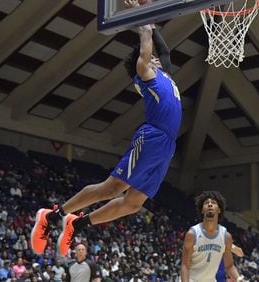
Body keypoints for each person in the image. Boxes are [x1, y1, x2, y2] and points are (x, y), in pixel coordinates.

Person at [30, 0, 182, 257]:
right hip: (153, 135)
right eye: (151, 54)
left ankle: (75, 224)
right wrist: (143, 20)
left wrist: (153, 22)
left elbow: (164, 52)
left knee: (133, 204)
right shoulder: (144, 71)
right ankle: (52, 216)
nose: (156, 55)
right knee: (112, 188)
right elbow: (147, 52)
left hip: (167, 144)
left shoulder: (163, 72)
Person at [181, 191, 244, 281]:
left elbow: (229, 266)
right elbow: (185, 265)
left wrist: (238, 278)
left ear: (219, 209)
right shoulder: (192, 234)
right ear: (202, 210)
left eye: (213, 203)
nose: (210, 204)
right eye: (207, 203)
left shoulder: (226, 236)